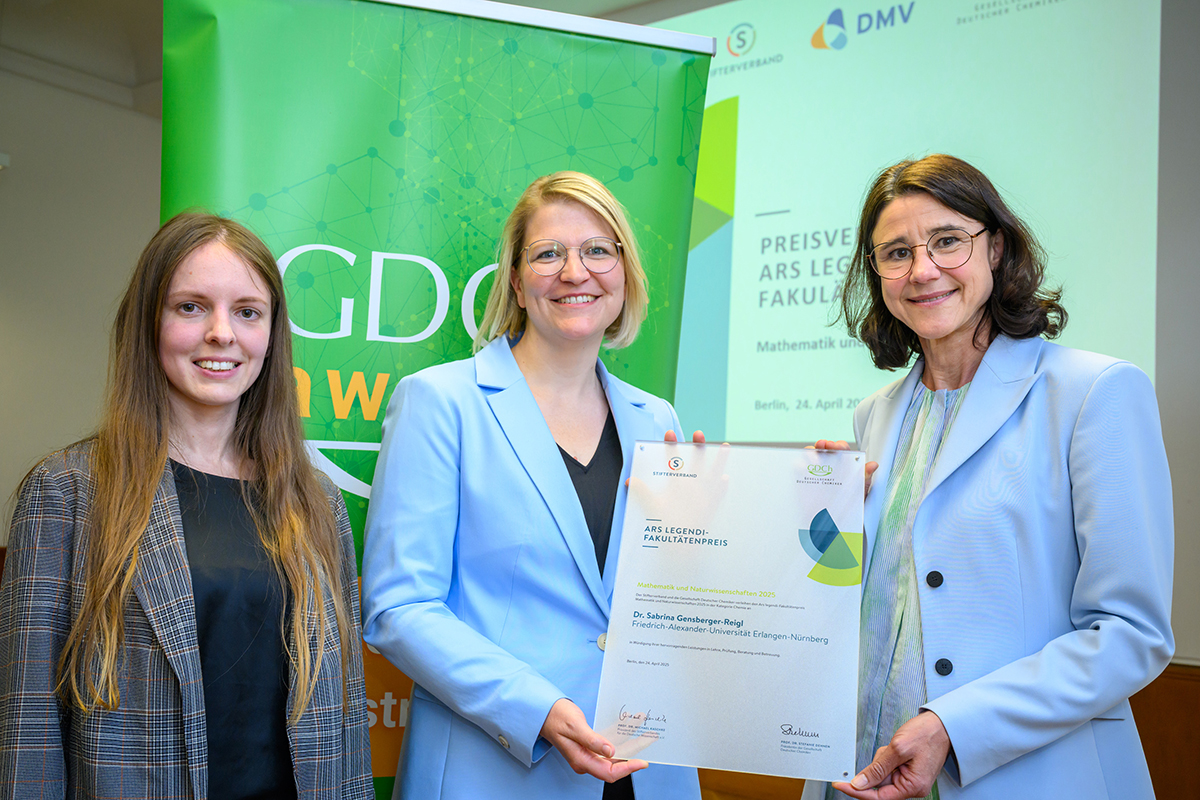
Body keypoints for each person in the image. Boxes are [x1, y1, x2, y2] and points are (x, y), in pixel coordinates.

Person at [807, 154, 1173, 800]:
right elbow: (883, 604)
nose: (922, 270)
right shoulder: (875, 416)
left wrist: (955, 725)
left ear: (996, 247)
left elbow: (1131, 635)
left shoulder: (1093, 394)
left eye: (947, 240)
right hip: (867, 774)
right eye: (895, 253)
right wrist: (809, 526)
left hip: (1029, 778)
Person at [0, 213, 372, 799]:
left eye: (247, 312)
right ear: (148, 321)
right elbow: (28, 728)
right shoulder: (67, 491)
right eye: (191, 306)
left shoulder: (317, 501)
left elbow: (344, 713)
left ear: (272, 335)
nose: (222, 333)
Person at [361, 171, 702, 799]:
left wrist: (798, 502)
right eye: (549, 253)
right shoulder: (441, 403)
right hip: (495, 766)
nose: (576, 272)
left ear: (625, 274)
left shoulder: (658, 420)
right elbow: (397, 609)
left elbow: (674, 598)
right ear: (516, 281)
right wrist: (536, 707)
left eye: (599, 250)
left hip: (648, 769)